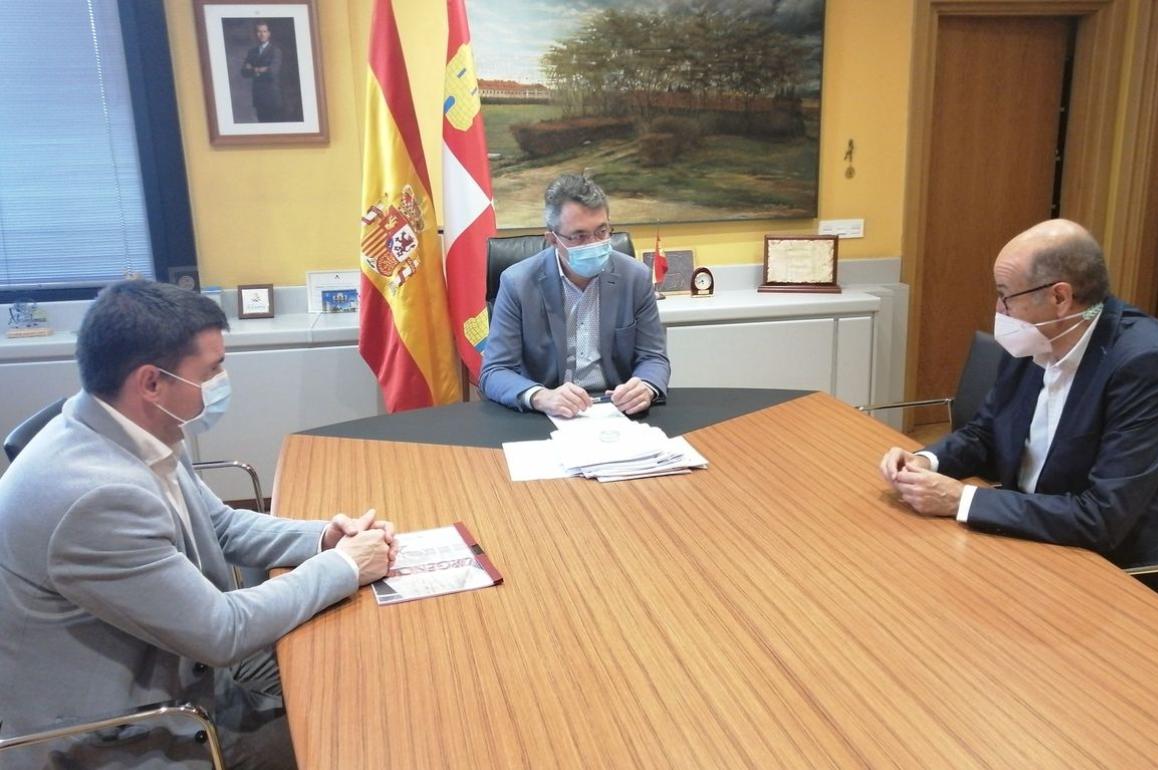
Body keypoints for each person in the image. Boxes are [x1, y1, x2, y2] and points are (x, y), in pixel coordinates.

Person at [0, 280, 396, 770]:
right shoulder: (95, 497)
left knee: (362, 675)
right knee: (367, 743)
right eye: (212, 370)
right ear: (151, 382)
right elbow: (220, 630)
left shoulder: (135, 428)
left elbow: (222, 526)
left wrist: (322, 538)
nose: (221, 379)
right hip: (127, 734)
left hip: (183, 660)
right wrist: (342, 567)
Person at [879, 219, 1158, 613]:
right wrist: (925, 461)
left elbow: (1103, 517)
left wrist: (961, 499)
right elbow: (985, 434)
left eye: (1006, 296)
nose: (999, 310)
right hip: (1045, 535)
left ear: (1060, 297)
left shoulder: (1147, 364)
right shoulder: (1036, 340)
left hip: (1131, 568)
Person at [480, 173, 671, 418]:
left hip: (616, 412)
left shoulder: (635, 277)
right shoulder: (517, 283)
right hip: (549, 412)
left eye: (602, 231)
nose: (594, 243)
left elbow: (654, 357)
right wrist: (541, 396)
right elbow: (494, 371)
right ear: (552, 239)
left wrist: (645, 386)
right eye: (580, 236)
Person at [240, 21, 282, 122]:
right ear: (256, 34)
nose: (262, 34)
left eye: (264, 31)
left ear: (269, 33)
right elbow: (244, 72)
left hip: (271, 96)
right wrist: (261, 69)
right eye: (259, 32)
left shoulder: (275, 51)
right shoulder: (252, 52)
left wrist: (253, 69)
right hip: (258, 96)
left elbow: (272, 72)